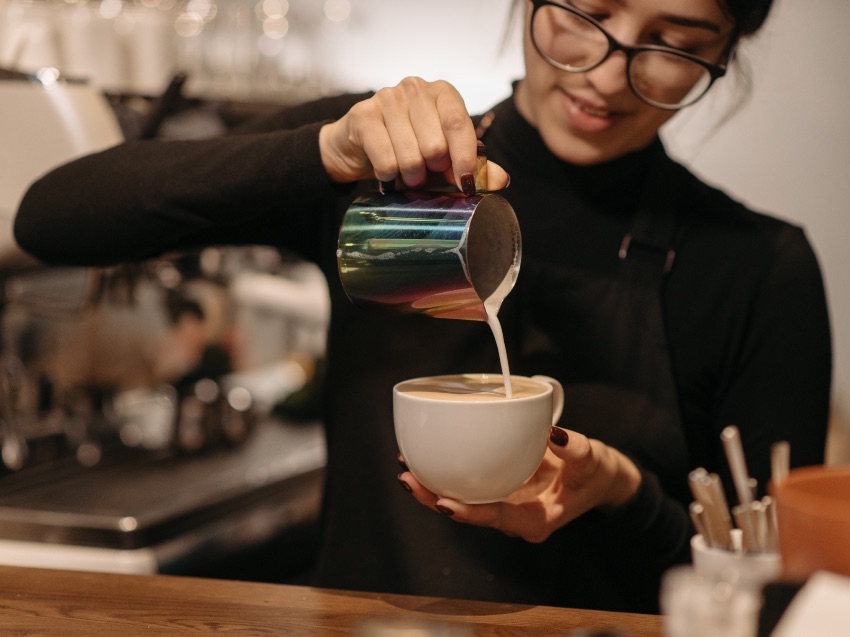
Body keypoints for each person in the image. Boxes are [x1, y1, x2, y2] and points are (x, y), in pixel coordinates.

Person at [13, 0, 831, 614]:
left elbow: (775, 592)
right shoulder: (389, 176)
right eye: (587, 13)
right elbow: (48, 218)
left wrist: (626, 494)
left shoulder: (757, 265)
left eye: (673, 46)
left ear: (727, 51)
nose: (608, 75)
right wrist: (321, 149)